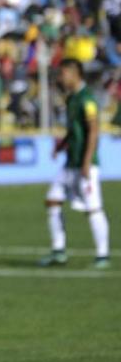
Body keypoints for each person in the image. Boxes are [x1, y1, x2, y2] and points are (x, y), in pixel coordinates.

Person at [40, 58, 110, 268]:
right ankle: (59, 250)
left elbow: (94, 131)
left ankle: (102, 255)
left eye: (63, 74)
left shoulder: (87, 99)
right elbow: (73, 130)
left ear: (74, 73)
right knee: (52, 200)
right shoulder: (72, 99)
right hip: (71, 163)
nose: (61, 78)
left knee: (93, 208)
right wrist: (60, 147)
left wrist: (87, 161)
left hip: (85, 164)